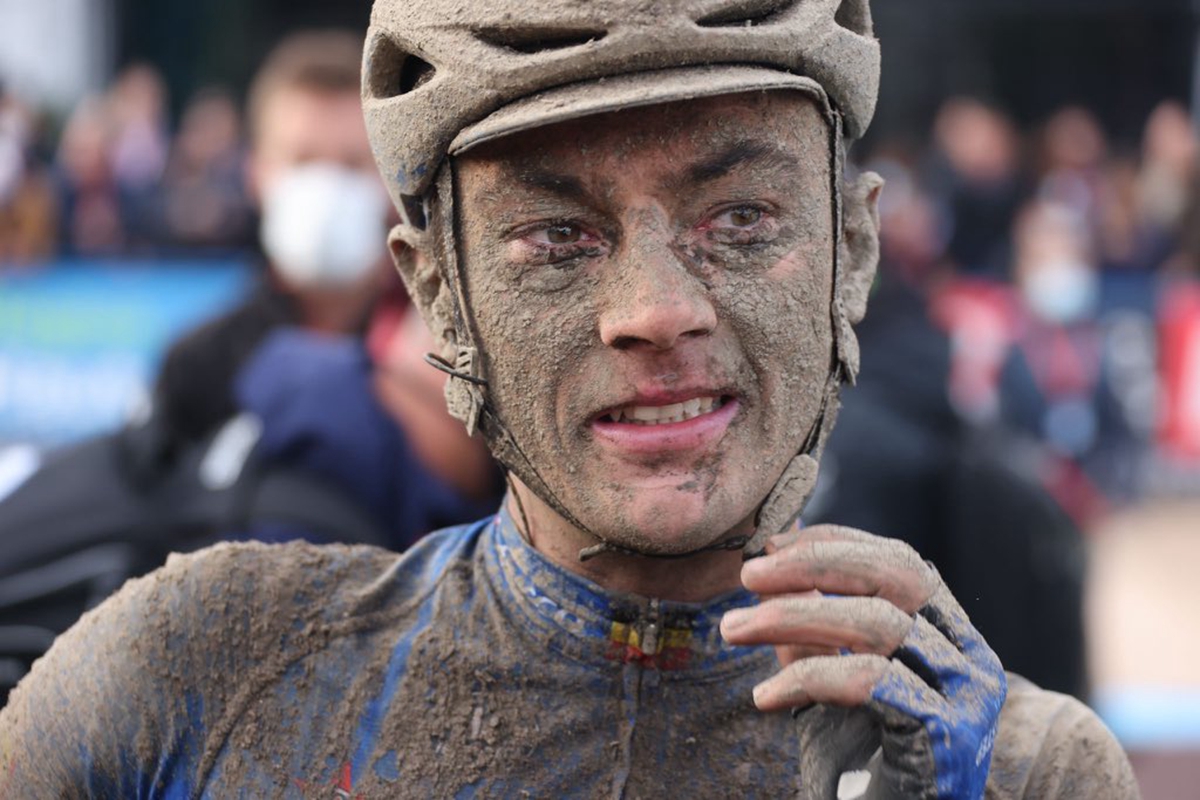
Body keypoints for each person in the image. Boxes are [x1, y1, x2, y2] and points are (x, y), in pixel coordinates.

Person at [0, 2, 1137, 797]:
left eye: (739, 218)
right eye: (556, 236)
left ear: (852, 247)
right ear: (438, 293)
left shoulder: (1029, 767)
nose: (655, 310)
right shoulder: (194, 667)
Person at [155, 29, 396, 443]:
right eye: (303, 161)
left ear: (389, 177)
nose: (327, 185)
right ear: (256, 174)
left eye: (353, 163)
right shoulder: (201, 364)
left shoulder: (437, 351)